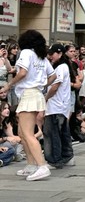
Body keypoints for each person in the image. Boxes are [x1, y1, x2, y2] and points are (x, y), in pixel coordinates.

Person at [0, 30, 56, 181]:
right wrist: (42, 85)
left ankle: (42, 166)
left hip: (29, 94)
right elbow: (53, 76)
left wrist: (8, 85)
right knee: (24, 133)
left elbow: (23, 73)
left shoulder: (26, 53)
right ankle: (32, 165)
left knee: (27, 134)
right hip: (34, 94)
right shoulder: (41, 57)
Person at [44, 44, 78, 169]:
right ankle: (67, 156)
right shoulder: (64, 67)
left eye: (52, 54)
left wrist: (45, 98)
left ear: (59, 53)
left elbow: (55, 86)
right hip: (61, 106)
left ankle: (54, 160)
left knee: (52, 134)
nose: (50, 56)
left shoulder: (61, 68)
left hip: (55, 106)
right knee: (63, 133)